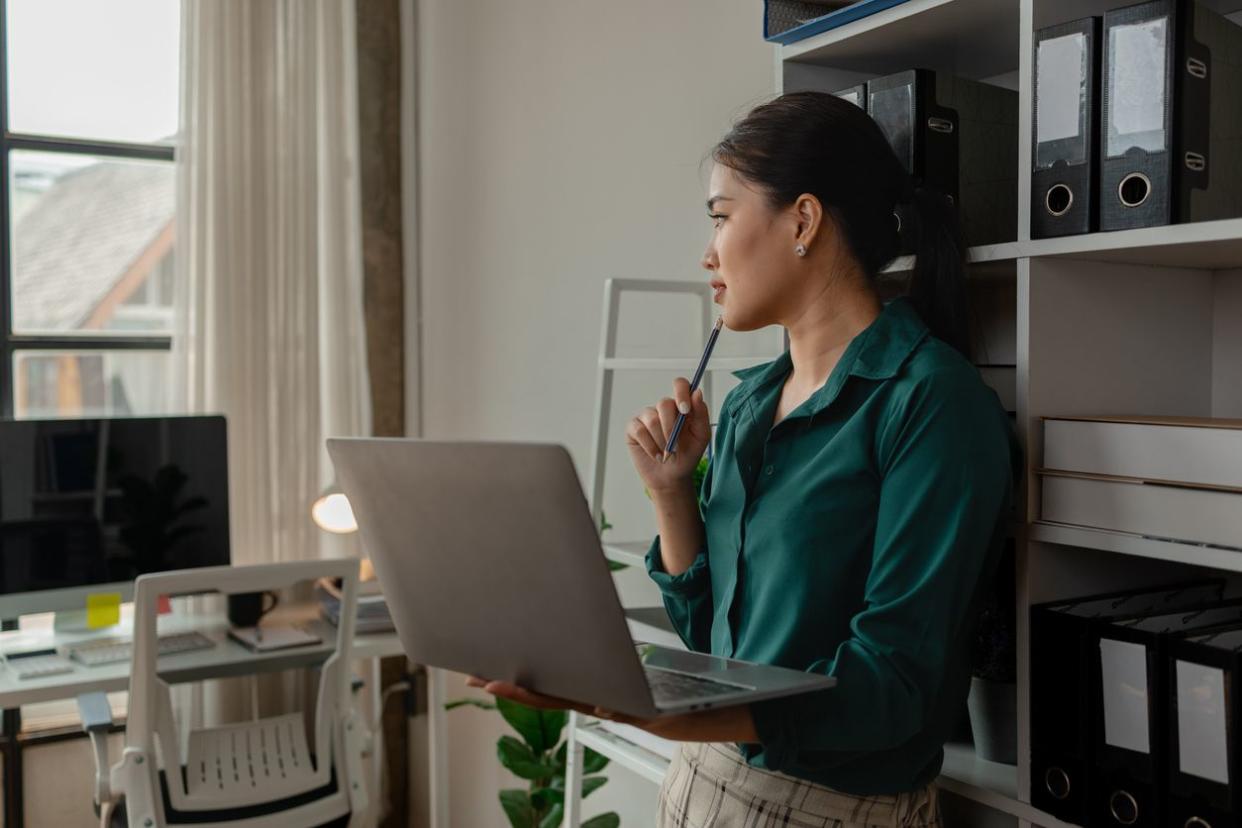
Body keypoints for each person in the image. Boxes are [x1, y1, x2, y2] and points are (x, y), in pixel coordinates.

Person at [470, 91, 1020, 827]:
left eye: (722, 218)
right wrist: (672, 495)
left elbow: (895, 687)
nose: (707, 253)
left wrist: (666, 715)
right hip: (699, 785)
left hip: (830, 809)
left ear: (803, 220)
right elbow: (716, 647)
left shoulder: (932, 405)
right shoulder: (750, 404)